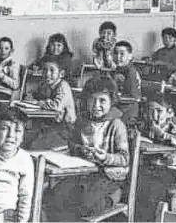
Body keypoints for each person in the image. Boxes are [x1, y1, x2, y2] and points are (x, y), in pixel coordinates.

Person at [43, 75, 130, 222]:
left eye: (102, 100)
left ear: (112, 102)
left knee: (85, 205)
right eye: (92, 100)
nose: (96, 105)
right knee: (55, 196)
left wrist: (105, 157)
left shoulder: (116, 124)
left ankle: (113, 197)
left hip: (108, 176)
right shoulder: (82, 121)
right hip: (85, 173)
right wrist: (80, 150)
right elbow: (72, 144)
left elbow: (124, 158)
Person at [25, 56, 76, 150]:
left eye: (52, 70)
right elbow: (37, 95)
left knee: (34, 146)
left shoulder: (63, 86)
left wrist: (39, 103)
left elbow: (56, 106)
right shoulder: (45, 85)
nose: (47, 74)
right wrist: (31, 97)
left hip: (65, 129)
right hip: (50, 126)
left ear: (61, 74)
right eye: (44, 70)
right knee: (27, 139)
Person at [110, 40, 142, 125]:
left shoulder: (131, 72)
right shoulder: (117, 70)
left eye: (122, 54)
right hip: (118, 107)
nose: (118, 57)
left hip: (128, 111)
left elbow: (134, 97)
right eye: (116, 53)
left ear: (130, 56)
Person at [0, 37, 21, 101]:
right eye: (0, 48)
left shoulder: (13, 64)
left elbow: (15, 85)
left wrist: (2, 76)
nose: (3, 51)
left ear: (11, 50)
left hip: (4, 93)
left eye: (6, 48)